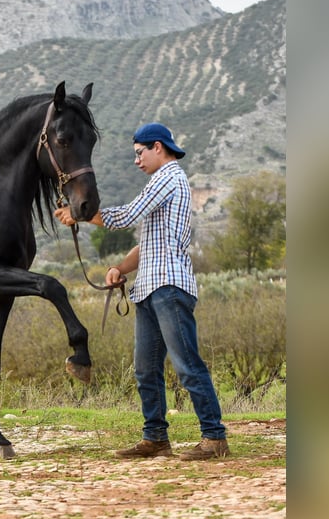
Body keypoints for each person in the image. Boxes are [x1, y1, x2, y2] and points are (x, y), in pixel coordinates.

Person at [54, 122, 229, 461]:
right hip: (151, 289)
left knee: (186, 364)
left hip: (169, 287)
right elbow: (148, 244)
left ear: (158, 147)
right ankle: (156, 438)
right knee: (145, 369)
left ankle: (214, 437)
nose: (136, 160)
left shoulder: (168, 177)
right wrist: (120, 268)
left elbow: (125, 216)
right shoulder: (161, 183)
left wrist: (79, 215)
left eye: (139, 153)